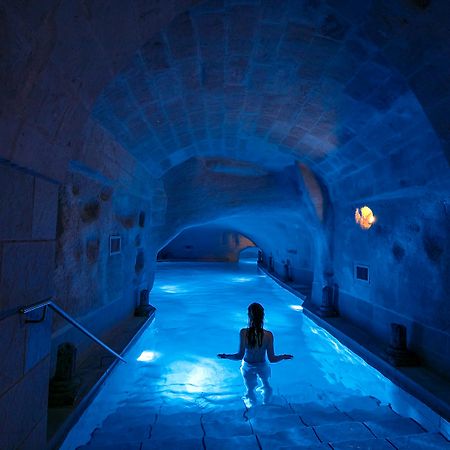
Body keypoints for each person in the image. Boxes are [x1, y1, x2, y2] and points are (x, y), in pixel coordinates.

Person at [217, 302, 293, 406]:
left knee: (250, 390)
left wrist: (226, 356)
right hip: (262, 366)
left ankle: (252, 411)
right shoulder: (269, 335)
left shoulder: (244, 332)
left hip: (248, 366)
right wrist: (283, 356)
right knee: (266, 385)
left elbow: (239, 356)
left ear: (249, 316)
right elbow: (272, 359)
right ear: (263, 317)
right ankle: (267, 404)